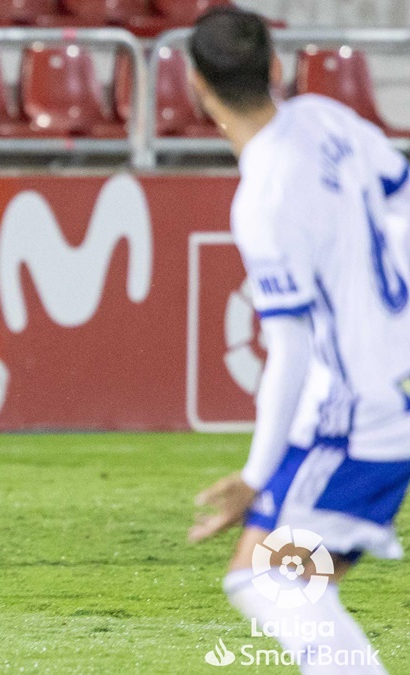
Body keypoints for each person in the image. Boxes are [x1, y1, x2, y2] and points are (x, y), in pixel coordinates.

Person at [187, 8, 410, 672]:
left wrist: (256, 476)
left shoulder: (263, 198)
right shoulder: (328, 118)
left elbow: (286, 350)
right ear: (277, 68)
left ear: (198, 88)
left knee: (266, 579)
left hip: (352, 416)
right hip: (385, 399)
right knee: (300, 582)